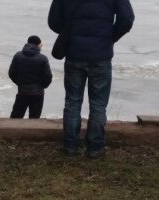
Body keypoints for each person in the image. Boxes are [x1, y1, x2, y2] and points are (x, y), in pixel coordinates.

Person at [48, 0, 135, 158]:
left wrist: (72, 33)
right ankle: (95, 148)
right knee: (98, 104)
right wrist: (109, 37)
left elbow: (53, 21)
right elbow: (127, 19)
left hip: (74, 54)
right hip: (101, 56)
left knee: (72, 101)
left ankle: (70, 146)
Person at [8, 35, 52, 119]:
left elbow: (11, 73)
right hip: (38, 94)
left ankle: (13, 131)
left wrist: (19, 83)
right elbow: (48, 77)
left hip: (22, 92)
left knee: (15, 118)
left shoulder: (18, 56)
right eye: (40, 44)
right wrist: (42, 86)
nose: (41, 46)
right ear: (37, 45)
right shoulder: (43, 58)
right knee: (34, 120)